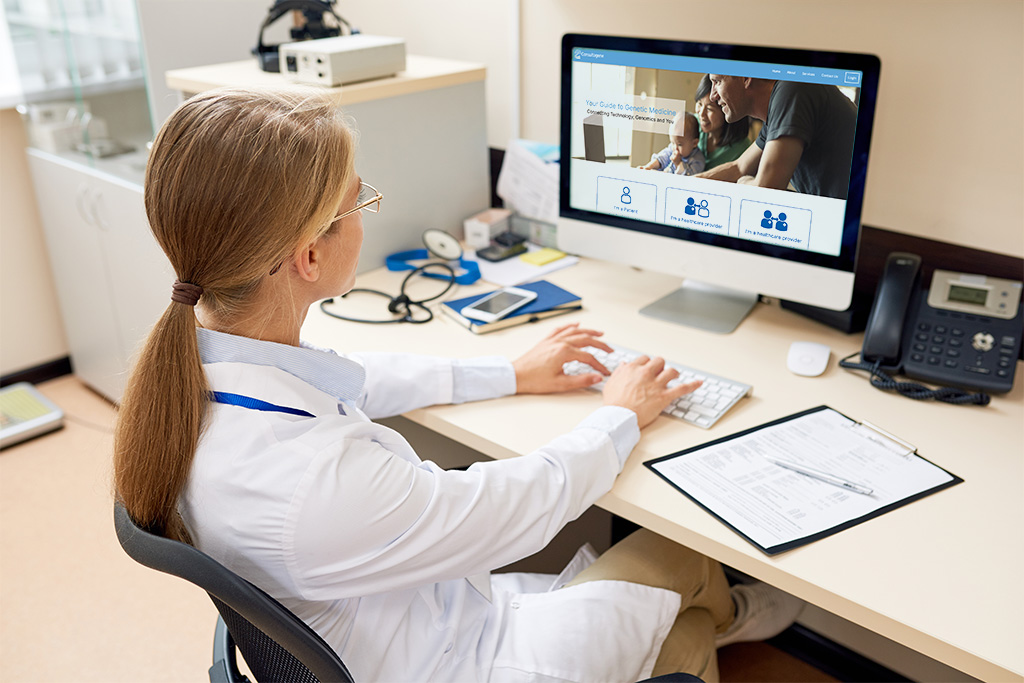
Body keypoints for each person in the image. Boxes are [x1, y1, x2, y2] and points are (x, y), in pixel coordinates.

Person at [113, 86, 802, 683]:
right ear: (311, 254)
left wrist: (510, 372)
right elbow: (509, 506)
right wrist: (620, 413)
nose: (367, 211)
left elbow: (355, 379)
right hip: (460, 659)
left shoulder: (205, 373)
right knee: (683, 580)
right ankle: (723, 620)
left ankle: (724, 616)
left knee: (679, 604)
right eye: (361, 201)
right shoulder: (311, 485)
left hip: (412, 623)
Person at [697, 74, 857, 200]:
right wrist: (688, 183)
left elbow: (765, 190)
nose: (712, 95)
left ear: (745, 78)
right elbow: (739, 167)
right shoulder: (775, 112)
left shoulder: (792, 90)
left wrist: (743, 182)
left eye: (717, 82)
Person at [693, 74, 751, 170]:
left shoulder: (743, 149)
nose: (701, 114)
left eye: (709, 109)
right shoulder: (691, 124)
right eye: (699, 104)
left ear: (725, 109)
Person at [640, 111, 706, 175]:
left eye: (680, 144)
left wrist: (678, 164)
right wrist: (648, 167)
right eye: (672, 143)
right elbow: (663, 158)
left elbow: (689, 177)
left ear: (694, 143)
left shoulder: (698, 161)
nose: (675, 148)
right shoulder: (673, 148)